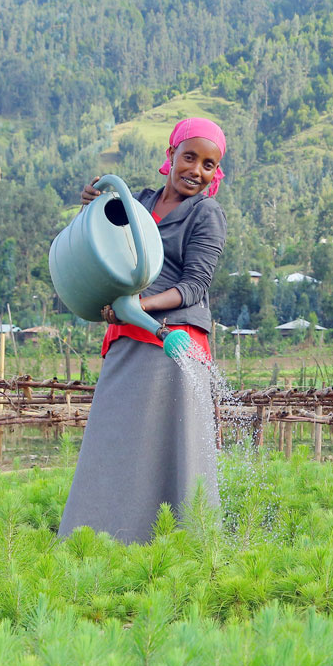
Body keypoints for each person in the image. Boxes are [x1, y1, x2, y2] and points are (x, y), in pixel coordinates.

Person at [57, 117, 228, 544]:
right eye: (189, 157)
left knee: (173, 448)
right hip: (127, 336)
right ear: (170, 156)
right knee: (114, 441)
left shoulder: (206, 213)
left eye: (209, 164)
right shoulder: (138, 202)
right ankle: (98, 539)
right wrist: (89, 206)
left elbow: (193, 286)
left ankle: (181, 545)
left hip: (172, 344)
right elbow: (102, 248)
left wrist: (141, 305)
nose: (197, 171)